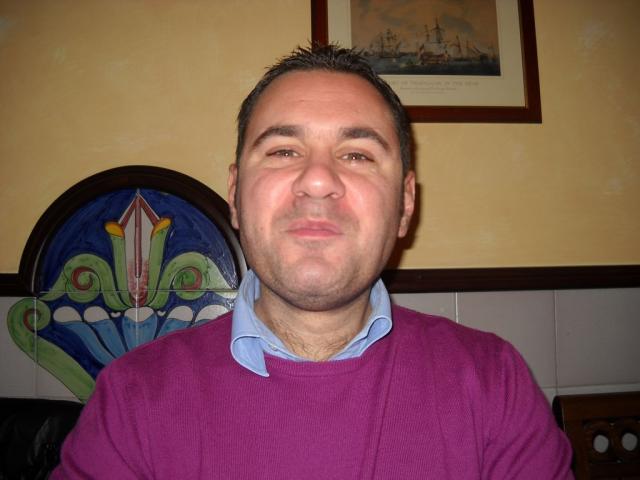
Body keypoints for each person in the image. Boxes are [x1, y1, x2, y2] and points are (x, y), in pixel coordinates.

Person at [52, 45, 573, 479]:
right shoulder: (132, 397)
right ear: (235, 194)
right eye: (283, 151)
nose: (318, 181)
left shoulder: (493, 382)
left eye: (357, 155)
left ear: (405, 204)